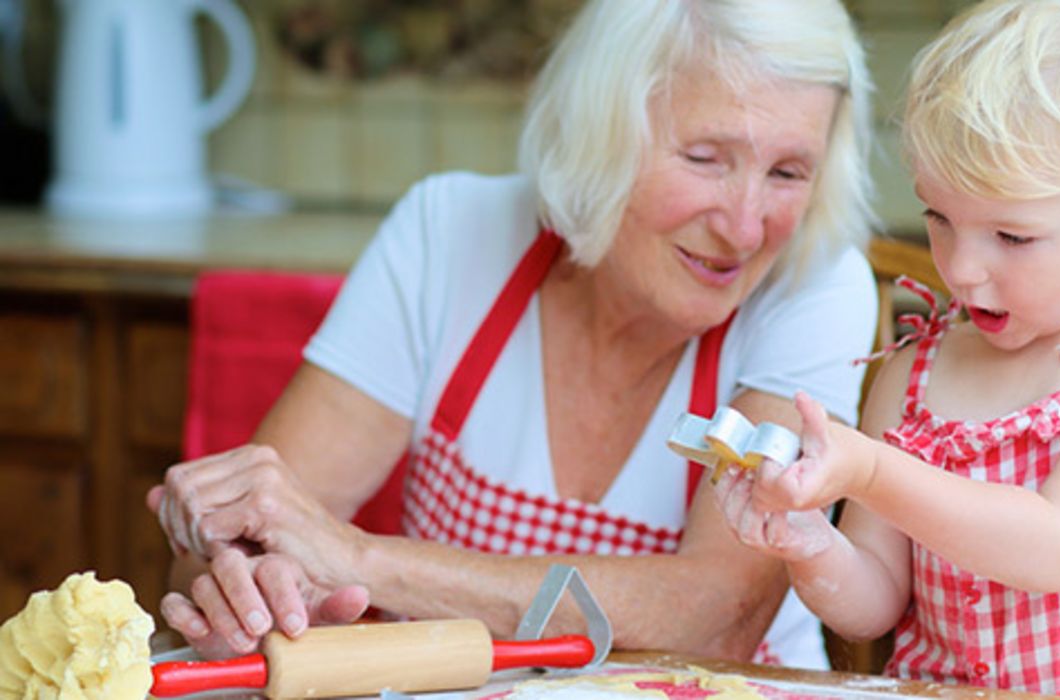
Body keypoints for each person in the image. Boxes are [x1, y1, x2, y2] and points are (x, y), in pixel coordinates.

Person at [148, 0, 878, 670]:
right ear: (601, 130)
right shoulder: (449, 234)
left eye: (787, 172)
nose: (746, 228)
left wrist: (359, 560)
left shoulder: (815, 284)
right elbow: (244, 541)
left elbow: (718, 616)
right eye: (704, 159)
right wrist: (244, 592)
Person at [715, 0, 1060, 696]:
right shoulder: (915, 372)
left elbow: (1052, 547)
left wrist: (868, 471)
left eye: (1011, 237)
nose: (959, 268)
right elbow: (872, 605)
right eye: (939, 218)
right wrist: (809, 544)